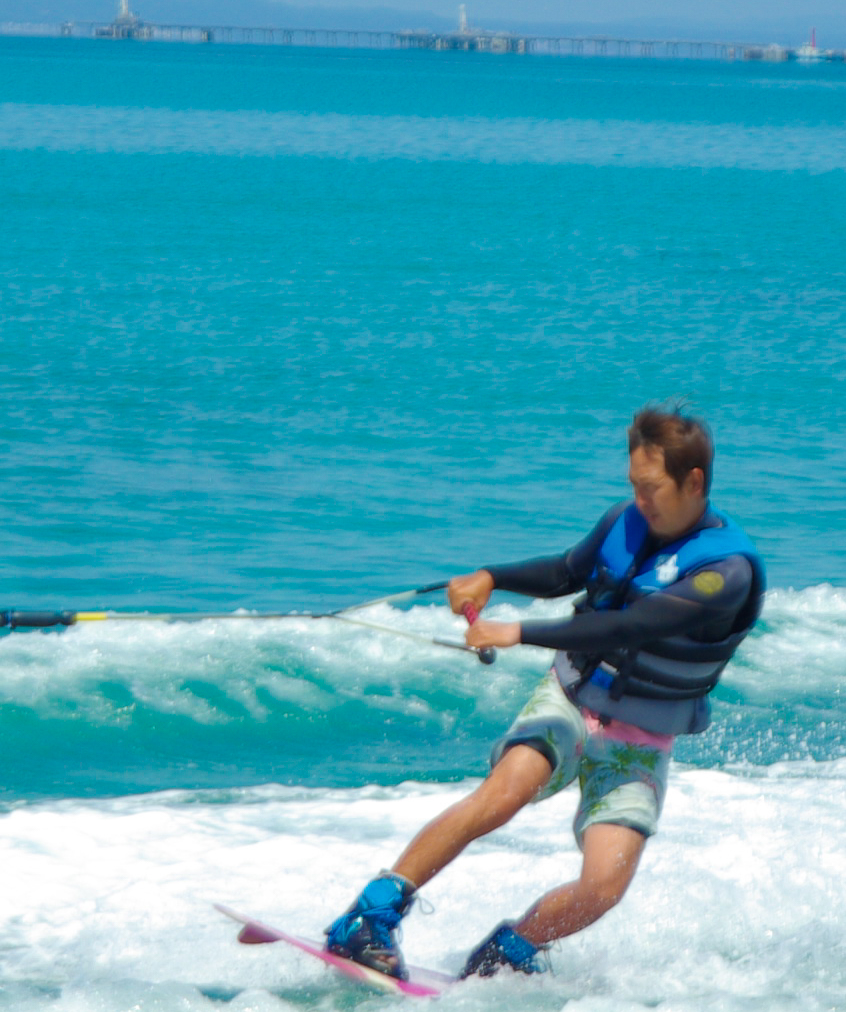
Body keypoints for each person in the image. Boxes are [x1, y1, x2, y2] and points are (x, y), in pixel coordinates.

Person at [321, 405, 765, 980]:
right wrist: (492, 576)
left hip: (641, 738)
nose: (640, 500)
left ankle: (507, 953)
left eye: (651, 488)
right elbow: (566, 571)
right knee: (504, 793)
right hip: (572, 698)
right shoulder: (622, 522)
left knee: (604, 885)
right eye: (632, 485)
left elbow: (632, 626)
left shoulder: (726, 572)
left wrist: (518, 630)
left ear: (694, 482)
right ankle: (369, 917)